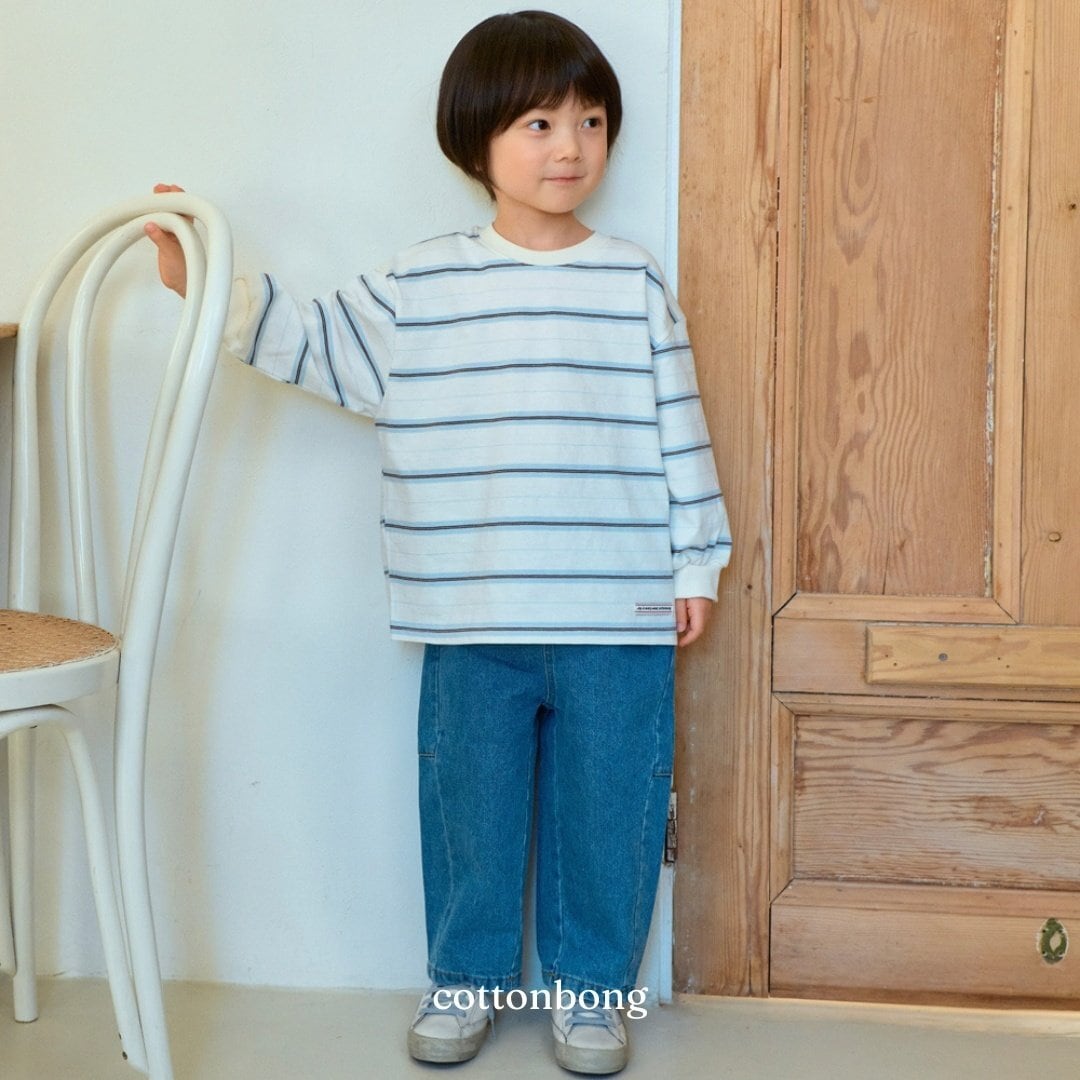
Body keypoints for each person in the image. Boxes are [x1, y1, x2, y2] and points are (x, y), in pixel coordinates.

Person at [146, 10, 730, 1075]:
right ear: (477, 140)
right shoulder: (421, 284)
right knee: (471, 807)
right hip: (470, 608)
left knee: (611, 807)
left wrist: (698, 562)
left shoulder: (632, 282)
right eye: (539, 123)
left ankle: (594, 993)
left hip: (619, 606)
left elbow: (678, 426)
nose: (569, 147)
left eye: (591, 122)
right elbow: (315, 342)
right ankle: (465, 979)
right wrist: (206, 285)